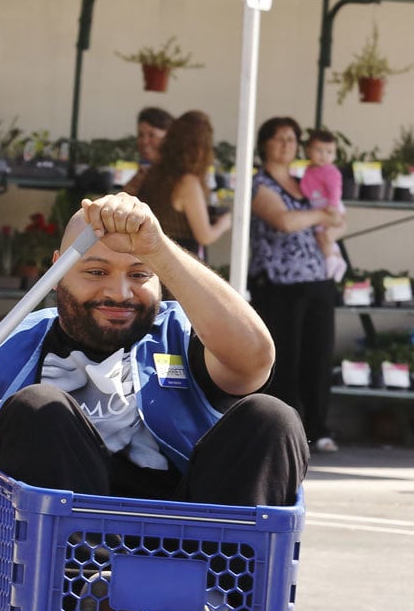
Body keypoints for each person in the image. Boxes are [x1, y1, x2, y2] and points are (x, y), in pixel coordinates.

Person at [0, 193, 306, 510]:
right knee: (39, 407)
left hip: (193, 573)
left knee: (272, 418)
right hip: (61, 589)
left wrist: (158, 249)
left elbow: (255, 363)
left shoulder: (188, 335)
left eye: (140, 274)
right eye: (95, 271)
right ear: (57, 269)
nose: (120, 292)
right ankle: (95, 610)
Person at [249, 116, 346, 454]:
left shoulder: (305, 181)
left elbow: (337, 217)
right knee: (285, 359)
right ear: (264, 145)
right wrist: (322, 217)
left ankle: (318, 428)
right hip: (279, 284)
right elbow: (285, 221)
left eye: (292, 138)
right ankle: (285, 430)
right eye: (279, 138)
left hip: (317, 278)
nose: (287, 144)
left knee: (318, 356)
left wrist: (331, 222)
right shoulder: (259, 184)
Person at [133, 110, 229, 261]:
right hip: (179, 264)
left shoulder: (153, 173)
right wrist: (225, 222)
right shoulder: (187, 182)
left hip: (151, 259)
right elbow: (205, 236)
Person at [300, 129, 347, 282]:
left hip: (329, 207)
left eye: (329, 152)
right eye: (319, 150)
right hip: (318, 206)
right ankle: (338, 261)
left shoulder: (330, 171)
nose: (324, 156)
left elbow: (335, 189)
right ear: (308, 151)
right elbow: (306, 187)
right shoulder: (309, 169)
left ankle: (330, 261)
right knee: (326, 237)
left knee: (323, 235)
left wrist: (333, 206)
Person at [121, 106, 173, 196]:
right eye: (141, 135)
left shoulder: (177, 175)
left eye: (152, 135)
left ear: (167, 138)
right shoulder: (142, 173)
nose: (144, 141)